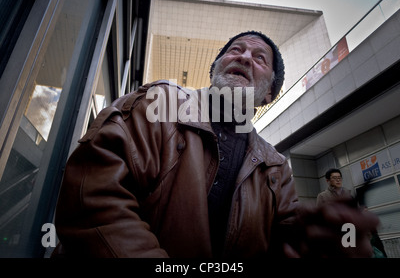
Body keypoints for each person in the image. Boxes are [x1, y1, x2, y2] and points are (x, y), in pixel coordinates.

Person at [52, 31, 379, 258]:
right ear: (215, 69)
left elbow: (287, 244)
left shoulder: (276, 167)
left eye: (259, 57)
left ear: (267, 95)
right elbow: (92, 194)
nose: (245, 56)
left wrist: (326, 247)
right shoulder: (160, 102)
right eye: (236, 50)